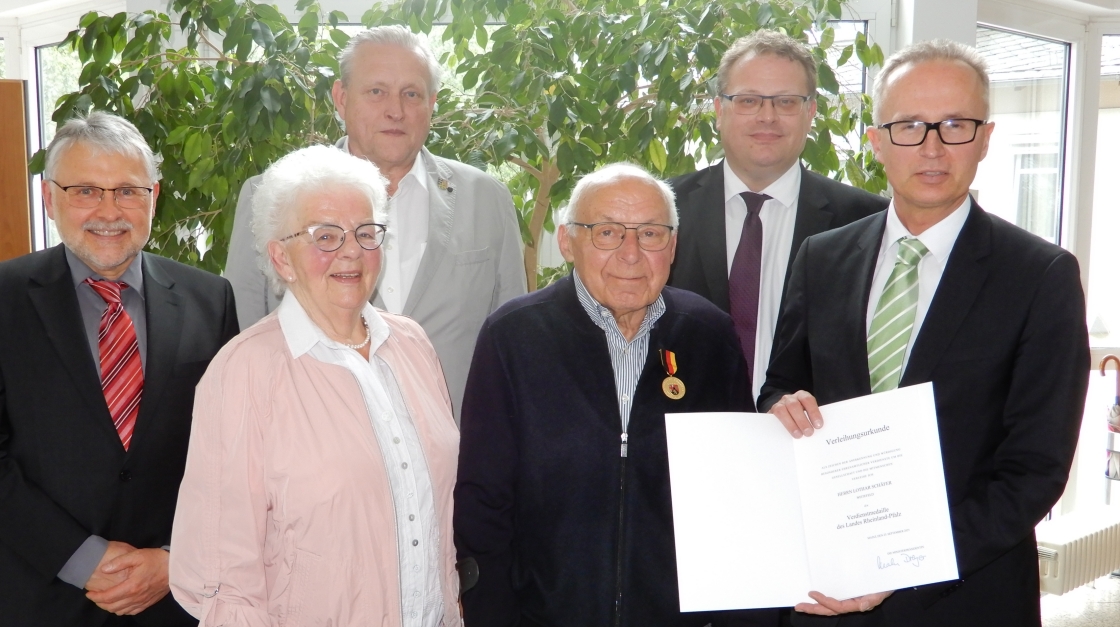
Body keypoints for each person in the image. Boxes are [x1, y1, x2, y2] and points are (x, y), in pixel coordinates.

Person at [760, 40, 1090, 627]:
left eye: (956, 125)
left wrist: (898, 565)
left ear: (986, 138)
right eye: (909, 125)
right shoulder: (822, 258)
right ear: (877, 140)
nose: (933, 147)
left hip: (967, 600)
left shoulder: (1041, 276)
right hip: (827, 600)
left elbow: (1035, 470)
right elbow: (781, 387)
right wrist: (784, 407)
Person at [0, 111, 239, 626]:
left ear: (154, 196)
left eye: (127, 191)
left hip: (174, 596)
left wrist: (174, 558)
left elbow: (237, 452)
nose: (109, 211)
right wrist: (83, 560)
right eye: (85, 191)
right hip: (34, 597)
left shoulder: (210, 298)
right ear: (49, 197)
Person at [454, 163, 777, 627]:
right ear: (567, 241)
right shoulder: (513, 336)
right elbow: (483, 504)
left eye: (650, 234)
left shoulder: (707, 334)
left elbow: (735, 497)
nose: (631, 253)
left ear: (672, 246)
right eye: (607, 232)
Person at [169, 144, 461, 625]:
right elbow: (220, 578)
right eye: (325, 236)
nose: (351, 251)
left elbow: (440, 521)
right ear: (282, 258)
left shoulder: (412, 344)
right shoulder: (244, 371)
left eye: (366, 233)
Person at [225, 25, 526, 422]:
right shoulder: (271, 198)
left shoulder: (487, 199)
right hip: (316, 451)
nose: (395, 110)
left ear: (432, 103)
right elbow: (243, 333)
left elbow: (514, 346)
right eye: (377, 91)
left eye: (411, 94)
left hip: (457, 460)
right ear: (341, 98)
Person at [669, 30, 889, 399]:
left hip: (812, 440)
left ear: (811, 113)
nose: (767, 117)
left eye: (786, 102)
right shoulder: (661, 212)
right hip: (679, 439)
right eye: (749, 100)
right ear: (719, 110)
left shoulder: (868, 222)